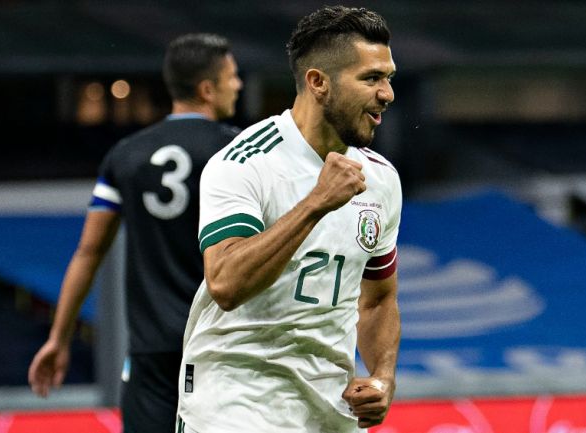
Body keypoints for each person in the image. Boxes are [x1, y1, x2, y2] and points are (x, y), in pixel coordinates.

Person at [176, 6, 401, 433]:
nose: (387, 93)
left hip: (330, 408)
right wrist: (316, 203)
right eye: (371, 78)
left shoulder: (382, 179)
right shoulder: (243, 163)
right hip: (236, 400)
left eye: (388, 78)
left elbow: (378, 300)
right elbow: (224, 283)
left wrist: (383, 378)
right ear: (318, 82)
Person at [27, 33, 242, 433]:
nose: (239, 85)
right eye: (232, 77)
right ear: (207, 89)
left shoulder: (126, 154)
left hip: (150, 352)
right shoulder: (237, 153)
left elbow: (89, 253)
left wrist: (58, 338)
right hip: (223, 349)